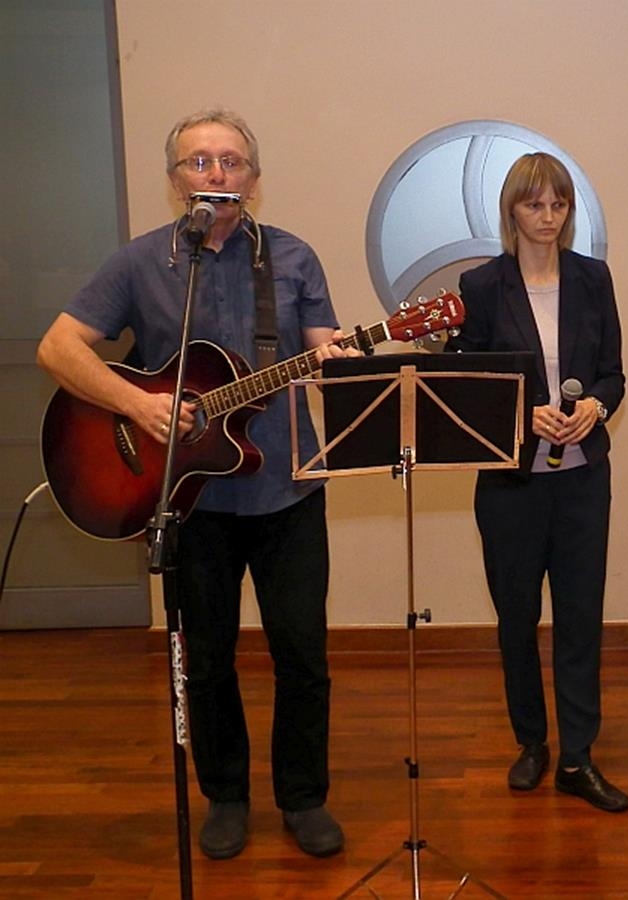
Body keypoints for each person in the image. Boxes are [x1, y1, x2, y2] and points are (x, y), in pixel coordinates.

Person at [37, 108, 355, 859]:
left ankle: (304, 797)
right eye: (199, 162)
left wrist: (344, 359)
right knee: (205, 660)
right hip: (186, 500)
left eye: (231, 161)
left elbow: (324, 356)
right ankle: (227, 796)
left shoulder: (292, 258)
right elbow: (58, 348)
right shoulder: (140, 263)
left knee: (303, 655)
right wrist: (137, 404)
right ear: (176, 179)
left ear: (254, 178)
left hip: (288, 490)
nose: (216, 174)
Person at [446, 153, 628, 813]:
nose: (548, 217)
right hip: (510, 486)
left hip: (583, 483)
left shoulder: (592, 278)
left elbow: (614, 374)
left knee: (580, 620)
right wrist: (523, 412)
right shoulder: (480, 286)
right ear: (512, 212)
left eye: (558, 204)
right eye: (534, 205)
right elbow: (464, 385)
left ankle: (578, 756)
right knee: (517, 619)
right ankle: (532, 743)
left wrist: (595, 407)